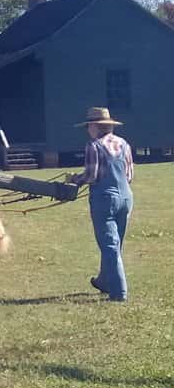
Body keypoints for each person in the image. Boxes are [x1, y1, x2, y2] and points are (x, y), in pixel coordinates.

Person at [68, 107, 134, 302]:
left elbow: (91, 175)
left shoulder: (93, 146)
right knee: (116, 244)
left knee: (109, 246)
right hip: (126, 197)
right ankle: (104, 281)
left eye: (89, 126)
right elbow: (130, 175)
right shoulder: (124, 144)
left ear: (95, 127)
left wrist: (74, 179)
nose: (88, 130)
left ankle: (119, 292)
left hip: (104, 199)